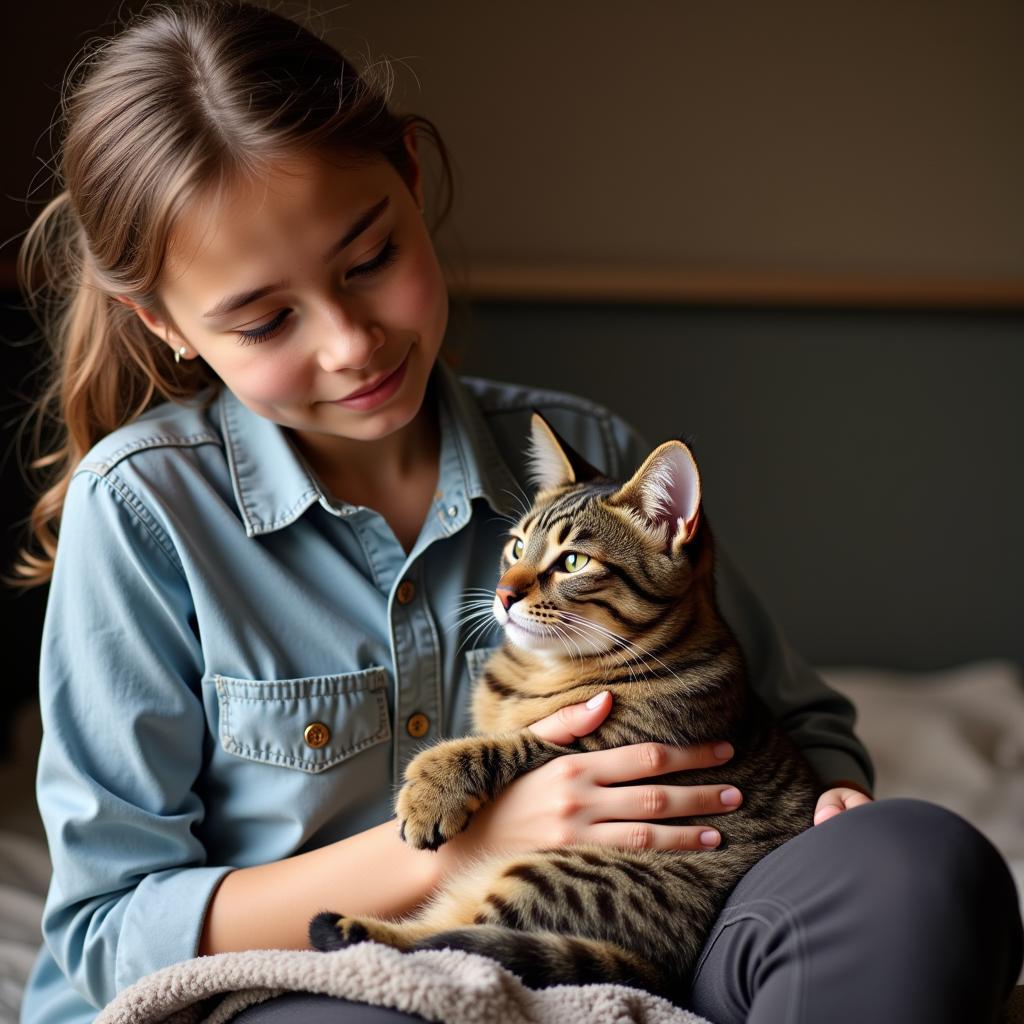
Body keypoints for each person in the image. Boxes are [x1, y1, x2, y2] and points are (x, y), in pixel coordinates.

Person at [11, 3, 1021, 1023]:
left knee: (919, 865)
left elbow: (797, 719)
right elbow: (108, 934)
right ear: (164, 322)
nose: (351, 342)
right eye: (267, 318)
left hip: (650, 930)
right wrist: (483, 839)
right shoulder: (143, 511)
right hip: (313, 977)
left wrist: (835, 807)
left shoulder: (588, 457)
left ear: (410, 177)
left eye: (368, 261)